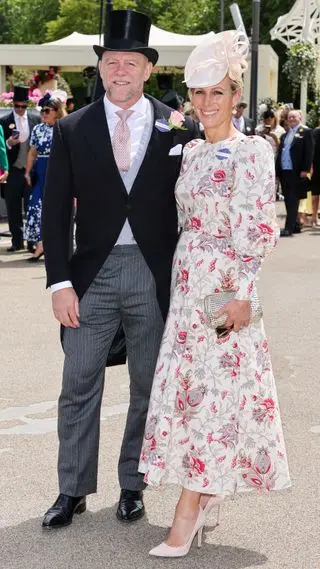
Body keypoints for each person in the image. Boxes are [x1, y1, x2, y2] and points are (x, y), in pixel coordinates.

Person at [41, 9, 199, 530]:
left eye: (131, 62)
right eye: (112, 62)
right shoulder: (72, 128)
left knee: (147, 385)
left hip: (154, 274)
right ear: (101, 69)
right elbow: (57, 207)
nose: (121, 70)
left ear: (148, 69)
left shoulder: (179, 125)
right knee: (78, 381)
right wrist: (60, 282)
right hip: (93, 276)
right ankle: (72, 490)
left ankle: (133, 485)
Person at [139, 30, 291, 558]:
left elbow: (256, 229)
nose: (206, 103)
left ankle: (189, 510)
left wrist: (244, 296)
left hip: (225, 286)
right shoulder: (192, 153)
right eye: (199, 93)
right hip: (188, 283)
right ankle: (207, 492)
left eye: (218, 92)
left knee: (217, 396)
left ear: (236, 98)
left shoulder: (250, 152)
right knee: (193, 394)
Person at [24, 92, 67, 262]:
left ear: (57, 111)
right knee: (37, 207)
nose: (43, 114)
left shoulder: (64, 127)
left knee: (56, 210)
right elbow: (32, 153)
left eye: (47, 110)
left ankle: (53, 246)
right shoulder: (37, 129)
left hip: (58, 171)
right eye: (42, 110)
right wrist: (27, 172)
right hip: (41, 172)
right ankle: (41, 243)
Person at [0, 85, 39, 252]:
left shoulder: (35, 119)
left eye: (24, 106)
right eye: (17, 106)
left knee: (31, 207)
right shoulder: (4, 121)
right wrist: (9, 143)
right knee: (13, 206)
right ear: (13, 105)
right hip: (13, 169)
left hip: (30, 170)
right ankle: (17, 241)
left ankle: (31, 241)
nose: (21, 109)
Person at [276, 109, 314, 237]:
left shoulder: (306, 132)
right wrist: (277, 171)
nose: (291, 119)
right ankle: (296, 225)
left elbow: (309, 152)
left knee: (293, 199)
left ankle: (288, 228)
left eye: (294, 117)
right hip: (284, 171)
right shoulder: (285, 135)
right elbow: (280, 154)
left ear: (300, 118)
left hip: (296, 172)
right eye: (289, 117)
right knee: (288, 200)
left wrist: (305, 169)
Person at [311, 125, 320, 227]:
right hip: (316, 167)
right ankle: (314, 217)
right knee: (315, 194)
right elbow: (311, 150)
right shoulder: (315, 133)